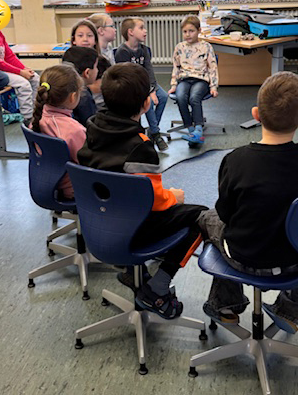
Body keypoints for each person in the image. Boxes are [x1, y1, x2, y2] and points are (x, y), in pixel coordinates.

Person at [199, 72, 298, 330]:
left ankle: (225, 305)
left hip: (242, 258)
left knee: (207, 219)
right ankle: (291, 310)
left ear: (256, 114)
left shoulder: (235, 160)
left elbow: (226, 213)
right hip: (294, 259)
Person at [78, 63, 207, 319]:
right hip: (132, 230)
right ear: (146, 104)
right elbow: (156, 202)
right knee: (200, 216)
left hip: (99, 224)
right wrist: (174, 197)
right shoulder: (140, 146)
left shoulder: (91, 127)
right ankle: (157, 288)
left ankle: (132, 271)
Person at [31, 63, 86, 200]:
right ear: (73, 97)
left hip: (46, 183)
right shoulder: (74, 130)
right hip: (73, 190)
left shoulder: (37, 120)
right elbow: (88, 164)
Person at [114, 18, 168, 152]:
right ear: (131, 32)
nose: (145, 31)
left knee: (163, 96)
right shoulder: (122, 52)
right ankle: (156, 133)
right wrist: (149, 93)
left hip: (146, 84)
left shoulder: (144, 49)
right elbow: (127, 77)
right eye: (141, 28)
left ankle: (153, 129)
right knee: (148, 102)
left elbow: (149, 70)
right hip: (133, 87)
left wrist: (152, 89)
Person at [169, 15, 218, 145]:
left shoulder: (206, 46)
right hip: (184, 79)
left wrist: (213, 86)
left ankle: (198, 129)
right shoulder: (179, 47)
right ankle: (191, 130)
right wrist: (174, 84)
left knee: (194, 97)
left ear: (199, 30)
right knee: (180, 97)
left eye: (191, 31)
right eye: (185, 31)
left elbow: (212, 67)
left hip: (201, 80)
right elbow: (176, 67)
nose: (188, 34)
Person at [62, 46, 98, 127]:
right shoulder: (83, 95)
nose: (97, 70)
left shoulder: (58, 88)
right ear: (87, 73)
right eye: (96, 67)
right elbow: (91, 124)